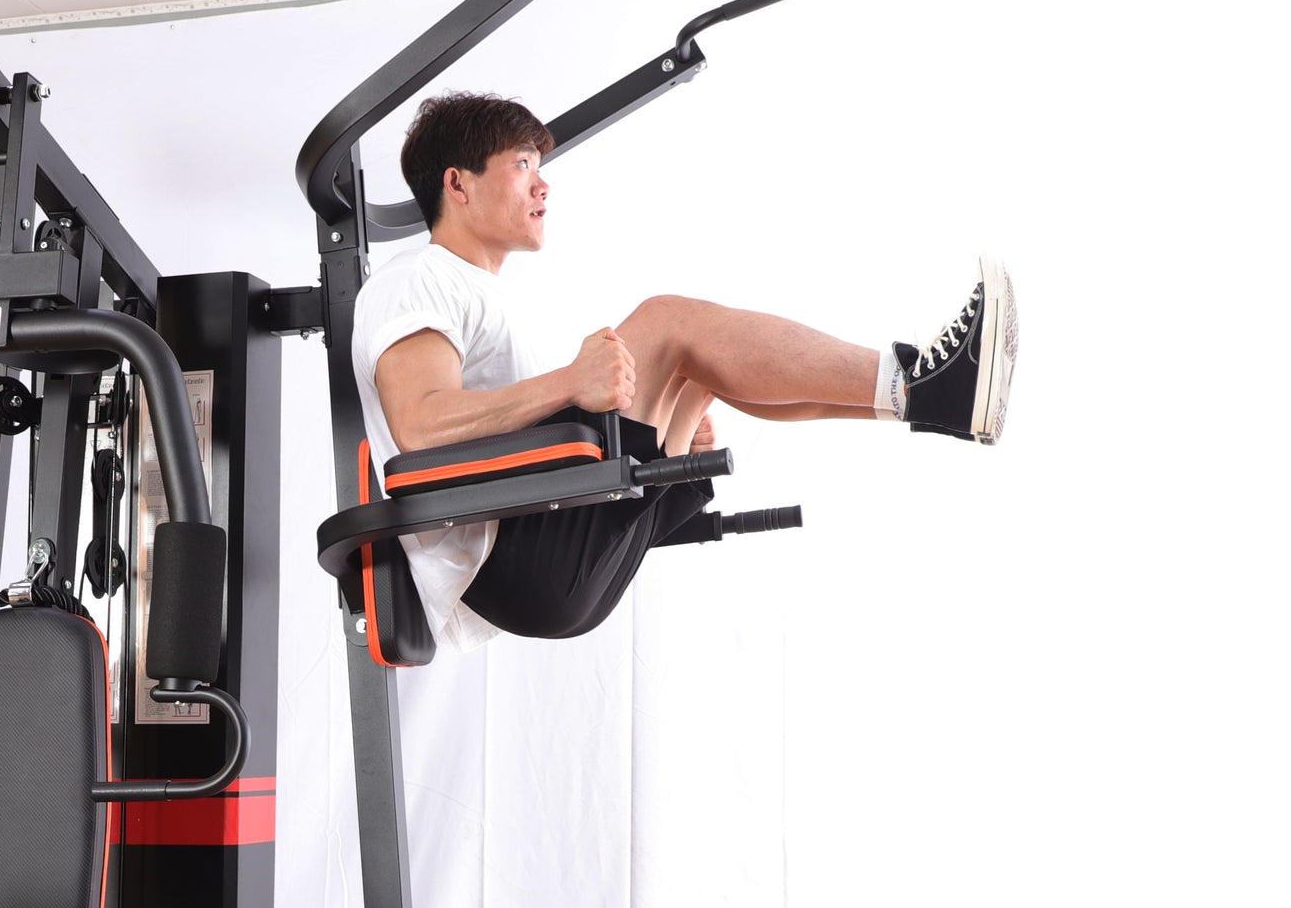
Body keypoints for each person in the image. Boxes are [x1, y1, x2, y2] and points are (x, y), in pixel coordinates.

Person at [352, 92, 1018, 652]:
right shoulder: (418, 278)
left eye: (541, 166)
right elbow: (420, 425)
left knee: (695, 373)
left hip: (543, 558)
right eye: (522, 163)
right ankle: (919, 383)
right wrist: (570, 383)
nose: (542, 183)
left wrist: (668, 431)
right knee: (665, 323)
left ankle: (927, 402)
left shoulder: (484, 294)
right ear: (458, 184)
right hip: (511, 565)